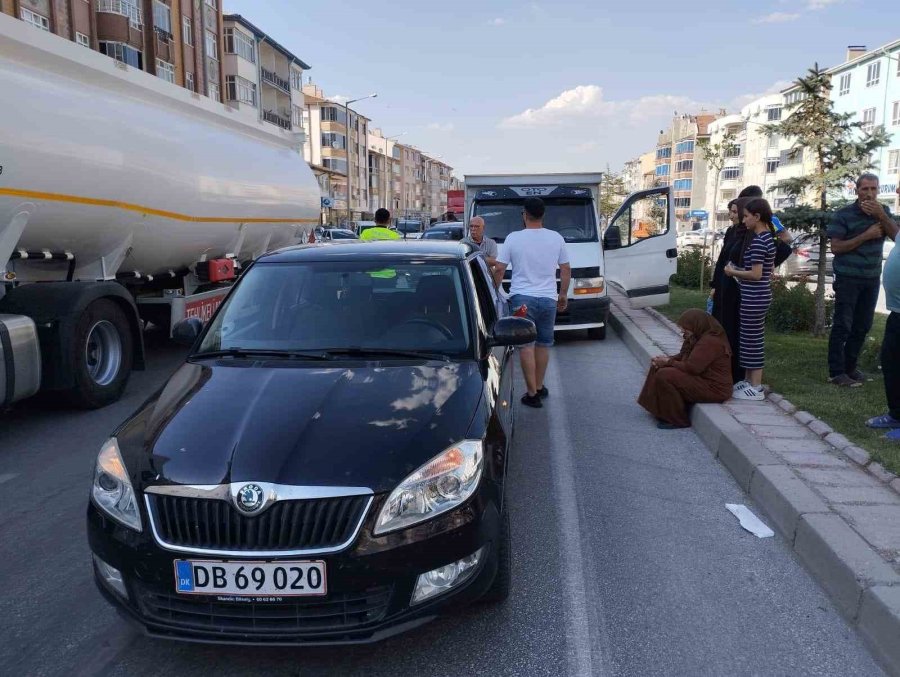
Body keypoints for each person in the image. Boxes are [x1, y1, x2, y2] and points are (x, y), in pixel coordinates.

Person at [493, 197, 571, 409]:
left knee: (526, 345)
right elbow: (565, 269)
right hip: (548, 300)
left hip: (522, 301)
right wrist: (562, 294)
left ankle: (531, 394)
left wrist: (495, 290)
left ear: (524, 215)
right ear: (543, 215)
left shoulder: (513, 238)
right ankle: (539, 385)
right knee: (544, 343)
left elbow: (499, 268)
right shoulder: (556, 238)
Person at [827, 174, 898, 387]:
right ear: (856, 190)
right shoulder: (844, 214)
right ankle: (836, 371)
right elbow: (836, 247)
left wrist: (882, 216)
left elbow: (897, 237)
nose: (869, 193)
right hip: (848, 278)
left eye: (873, 189)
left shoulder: (883, 212)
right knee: (843, 325)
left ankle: (850, 367)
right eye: (864, 188)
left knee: (863, 325)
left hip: (871, 277)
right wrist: (865, 235)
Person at [638, 309, 733, 429]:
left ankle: (678, 419)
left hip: (715, 388)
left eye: (685, 328)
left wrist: (668, 362)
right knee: (658, 366)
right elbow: (682, 357)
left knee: (666, 375)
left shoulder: (710, 342)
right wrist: (664, 360)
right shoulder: (696, 336)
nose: (682, 330)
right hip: (701, 379)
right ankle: (658, 410)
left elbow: (692, 368)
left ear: (696, 325)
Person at [724, 198, 777, 400]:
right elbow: (766, 271)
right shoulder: (767, 239)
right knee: (747, 339)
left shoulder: (758, 241)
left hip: (755, 297)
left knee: (752, 340)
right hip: (756, 295)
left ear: (757, 217)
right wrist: (739, 270)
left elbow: (756, 274)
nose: (743, 219)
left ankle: (756, 386)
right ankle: (748, 380)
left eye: (746, 216)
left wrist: (733, 272)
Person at [866, 183, 900, 437]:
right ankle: (896, 415)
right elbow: (894, 234)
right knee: (891, 362)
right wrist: (881, 215)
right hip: (897, 313)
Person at [710, 198, 750, 384]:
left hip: (738, 291)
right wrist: (715, 286)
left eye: (735, 212)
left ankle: (735, 374)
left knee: (734, 331)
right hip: (724, 287)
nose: (731, 215)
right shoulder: (731, 231)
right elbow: (722, 261)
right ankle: (720, 369)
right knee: (721, 329)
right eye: (731, 211)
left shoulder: (749, 234)